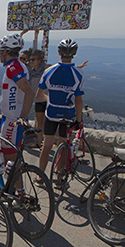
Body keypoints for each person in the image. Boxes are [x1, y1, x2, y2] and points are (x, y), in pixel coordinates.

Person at [37, 39, 86, 187]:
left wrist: (50, 99)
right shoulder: (79, 74)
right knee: (63, 145)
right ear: (75, 54)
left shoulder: (49, 71)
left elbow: (39, 95)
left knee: (47, 146)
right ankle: (59, 178)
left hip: (51, 113)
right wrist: (79, 120)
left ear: (59, 53)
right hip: (69, 115)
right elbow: (78, 101)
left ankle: (40, 177)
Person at [0, 33, 35, 168]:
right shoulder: (17, 65)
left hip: (13, 120)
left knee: (10, 161)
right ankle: (15, 189)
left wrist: (22, 117)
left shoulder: (13, 67)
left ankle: (17, 189)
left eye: (0, 52)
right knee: (11, 160)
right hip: (10, 118)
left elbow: (29, 92)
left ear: (6, 51)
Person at [29, 49, 51, 146]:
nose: (31, 62)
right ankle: (39, 142)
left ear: (39, 60)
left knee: (46, 123)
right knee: (39, 122)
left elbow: (58, 67)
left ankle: (45, 142)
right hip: (38, 100)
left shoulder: (45, 69)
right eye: (30, 60)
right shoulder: (32, 72)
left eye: (33, 59)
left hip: (46, 98)